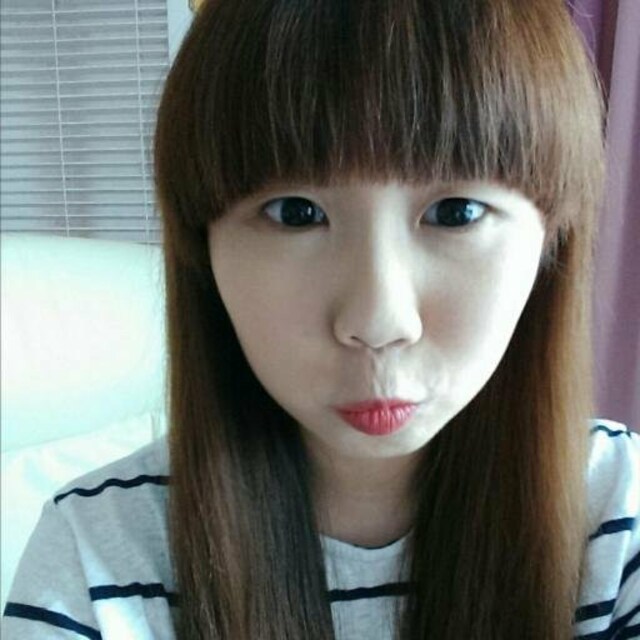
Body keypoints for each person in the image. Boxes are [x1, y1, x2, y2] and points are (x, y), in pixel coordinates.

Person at [3, 0, 639, 638]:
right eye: (296, 213)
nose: (378, 320)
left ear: (550, 238)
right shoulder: (94, 557)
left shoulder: (621, 508)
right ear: (203, 249)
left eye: (456, 213)